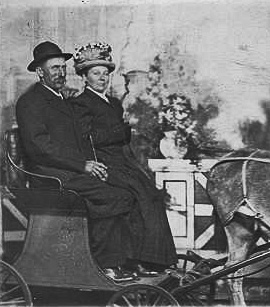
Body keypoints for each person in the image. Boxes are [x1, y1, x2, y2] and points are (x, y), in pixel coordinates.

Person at [16, 41, 139, 282]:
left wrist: (94, 164)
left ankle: (112, 261)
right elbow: (41, 147)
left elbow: (80, 141)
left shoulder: (60, 99)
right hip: (51, 176)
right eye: (54, 68)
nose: (60, 73)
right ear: (40, 72)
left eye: (63, 68)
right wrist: (83, 165)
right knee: (116, 197)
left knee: (125, 190)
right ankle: (104, 266)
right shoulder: (31, 102)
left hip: (69, 171)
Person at [70, 42, 177, 273]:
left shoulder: (115, 104)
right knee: (136, 196)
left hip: (122, 162)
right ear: (85, 77)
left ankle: (149, 260)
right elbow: (86, 139)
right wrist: (122, 132)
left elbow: (121, 140)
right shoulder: (80, 103)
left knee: (152, 196)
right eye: (96, 73)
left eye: (106, 73)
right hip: (104, 164)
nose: (102, 78)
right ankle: (135, 260)